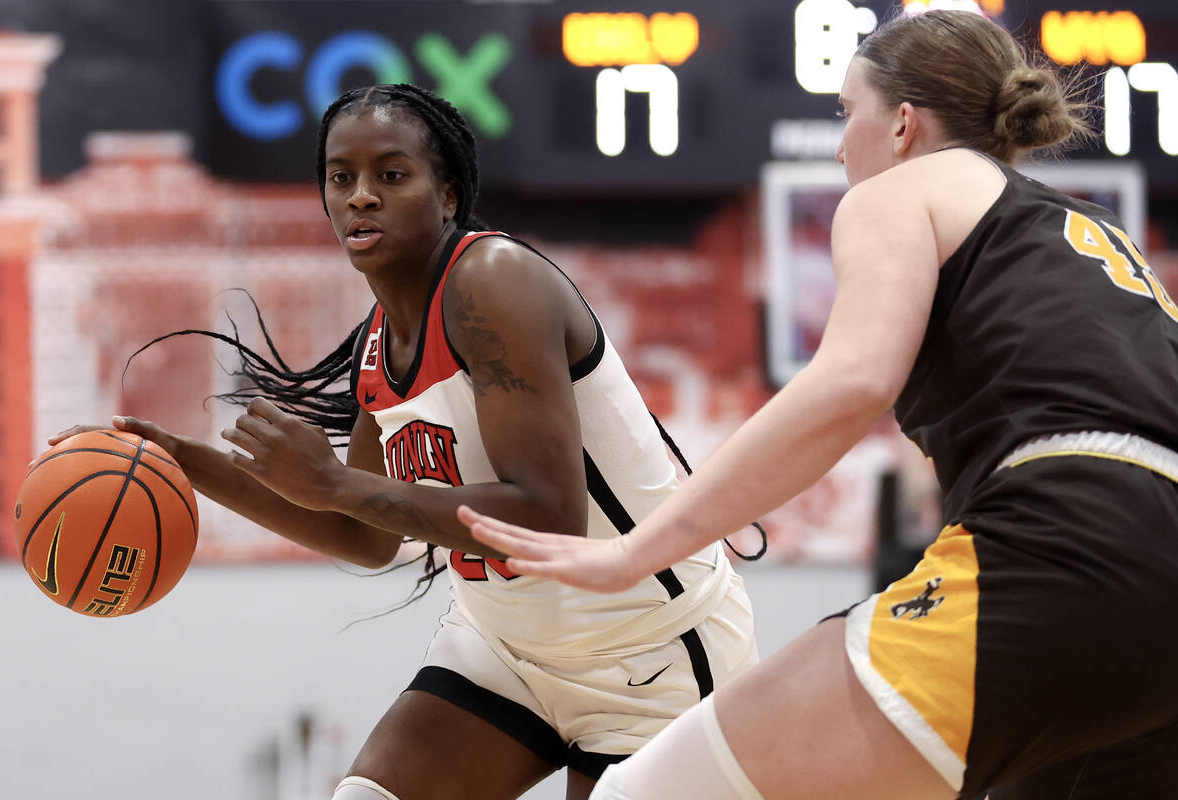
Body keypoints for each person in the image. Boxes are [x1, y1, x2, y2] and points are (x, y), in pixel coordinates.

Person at [459, 10, 1178, 800]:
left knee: (642, 794)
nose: (842, 144)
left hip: (1072, 544)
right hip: (1172, 595)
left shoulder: (903, 190)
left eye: (848, 113)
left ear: (905, 123)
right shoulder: (1093, 227)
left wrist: (637, 551)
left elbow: (851, 383)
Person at [49, 84, 758, 800]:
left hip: (648, 650)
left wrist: (338, 484)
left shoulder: (494, 283)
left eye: (391, 175)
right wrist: (180, 462)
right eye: (340, 177)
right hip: (506, 652)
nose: (360, 196)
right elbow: (362, 536)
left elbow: (548, 514)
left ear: (447, 195)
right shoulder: (381, 340)